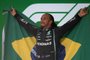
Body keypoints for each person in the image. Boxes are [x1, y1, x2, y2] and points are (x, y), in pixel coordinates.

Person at [10, 8, 88, 60]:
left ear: (50, 22)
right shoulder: (37, 31)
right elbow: (25, 24)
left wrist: (79, 16)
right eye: (41, 19)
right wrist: (15, 15)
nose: (42, 20)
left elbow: (69, 24)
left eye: (44, 18)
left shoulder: (56, 32)